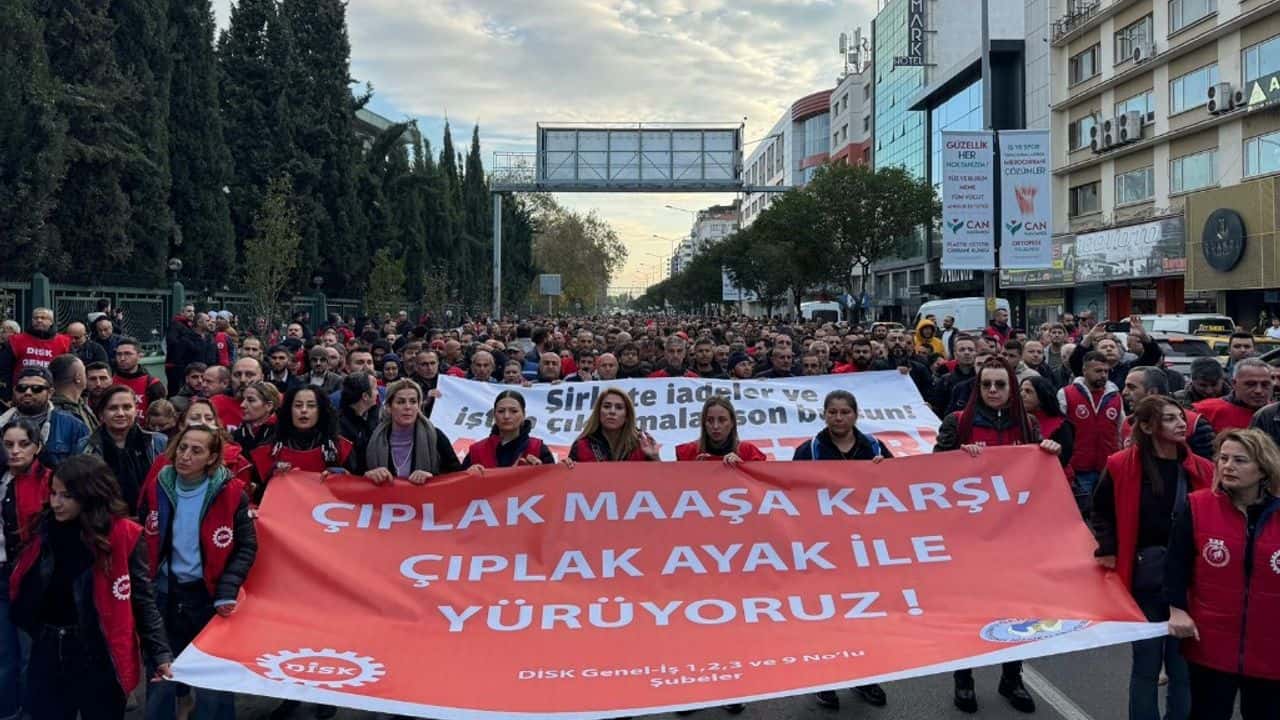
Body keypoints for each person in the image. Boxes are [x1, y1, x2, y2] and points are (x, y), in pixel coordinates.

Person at [935, 358, 1061, 714]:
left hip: (1014, 536)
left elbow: (1040, 474)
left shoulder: (1028, 423)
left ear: (1011, 388)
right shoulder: (958, 422)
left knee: (1016, 610)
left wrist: (1051, 451)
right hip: (969, 536)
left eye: (1000, 384)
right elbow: (933, 472)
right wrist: (958, 457)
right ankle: (963, 678)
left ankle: (1011, 678)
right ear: (978, 387)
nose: (993, 390)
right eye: (987, 384)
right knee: (968, 611)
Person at [9, 455, 172, 719]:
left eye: (66, 496)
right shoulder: (44, 528)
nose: (56, 502)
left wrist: (160, 653)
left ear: (90, 495)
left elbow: (142, 600)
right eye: (53, 493)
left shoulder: (124, 535)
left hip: (98, 653)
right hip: (48, 647)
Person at [1091, 396, 1213, 720]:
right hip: (1144, 577)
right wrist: (1108, 548)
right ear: (1146, 427)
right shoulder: (1120, 464)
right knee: (1146, 666)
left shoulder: (1203, 468)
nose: (1181, 424)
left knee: (1182, 668)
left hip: (1190, 581)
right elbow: (1100, 511)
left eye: (1181, 417)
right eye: (1170, 418)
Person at [139, 425, 257, 720]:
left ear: (212, 457)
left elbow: (246, 546)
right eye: (182, 447)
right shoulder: (158, 485)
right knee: (161, 678)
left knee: (213, 686)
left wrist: (227, 589)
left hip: (209, 598)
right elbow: (144, 535)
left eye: (196, 450)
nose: (185, 456)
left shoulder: (231, 493)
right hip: (166, 595)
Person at [1165, 428, 1280, 720]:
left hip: (1271, 646)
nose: (1228, 466)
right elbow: (1176, 564)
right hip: (1212, 643)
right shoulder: (1198, 506)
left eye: (1240, 460)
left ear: (1263, 468)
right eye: (1224, 458)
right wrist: (1177, 609)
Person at [789, 389, 889, 709]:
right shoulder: (808, 450)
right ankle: (826, 680)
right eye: (832, 412)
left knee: (864, 615)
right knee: (828, 617)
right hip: (824, 548)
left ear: (855, 415)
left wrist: (885, 470)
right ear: (824, 415)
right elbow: (792, 495)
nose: (838, 418)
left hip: (864, 547)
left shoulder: (875, 448)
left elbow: (899, 488)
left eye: (845, 412)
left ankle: (865, 677)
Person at [0, 419, 51, 720]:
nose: (15, 451)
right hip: (1, 576)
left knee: (30, 654)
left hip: (32, 580)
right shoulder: (2, 479)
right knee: (5, 654)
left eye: (23, 444)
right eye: (8, 445)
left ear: (37, 447)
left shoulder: (49, 480)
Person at [78, 385, 168, 512]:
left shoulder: (158, 442)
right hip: (105, 518)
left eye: (127, 407)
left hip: (150, 517)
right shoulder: (86, 447)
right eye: (113, 408)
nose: (120, 413)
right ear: (101, 414)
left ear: (136, 410)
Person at [249, 386, 353, 494]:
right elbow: (257, 493)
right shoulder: (269, 449)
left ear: (321, 411)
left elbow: (355, 489)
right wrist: (271, 476)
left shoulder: (339, 448)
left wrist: (341, 476)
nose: (304, 410)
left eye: (311, 406)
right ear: (289, 410)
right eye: (298, 405)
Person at [356, 379, 462, 481]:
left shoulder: (436, 437)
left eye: (413, 401)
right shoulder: (371, 438)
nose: (407, 407)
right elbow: (356, 476)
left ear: (419, 406)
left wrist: (432, 478)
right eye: (400, 402)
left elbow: (457, 476)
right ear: (389, 407)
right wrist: (368, 475)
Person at [1058, 351, 1123, 502]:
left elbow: (1120, 430)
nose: (1103, 375)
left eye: (1106, 371)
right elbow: (1059, 430)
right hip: (1078, 468)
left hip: (1107, 467)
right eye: (1098, 371)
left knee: (1104, 510)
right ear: (1085, 370)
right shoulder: (1066, 394)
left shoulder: (1115, 396)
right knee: (1081, 508)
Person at [0, 367, 90, 469]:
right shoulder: (2, 423)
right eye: (22, 388)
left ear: (50, 393)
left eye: (36, 388)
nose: (28, 392)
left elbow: (85, 469)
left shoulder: (73, 426)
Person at [1122, 367, 1214, 459]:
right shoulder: (1128, 422)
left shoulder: (1195, 423)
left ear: (1152, 392)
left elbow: (1207, 465)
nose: (1124, 392)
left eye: (1132, 387)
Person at [463, 391, 556, 470]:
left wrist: (540, 471)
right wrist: (469, 474)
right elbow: (460, 482)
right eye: (501, 411)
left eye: (514, 411)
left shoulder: (538, 448)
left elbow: (553, 482)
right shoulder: (476, 451)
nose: (506, 416)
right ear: (494, 415)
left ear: (524, 415)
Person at [565, 389, 659, 462]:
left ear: (627, 415)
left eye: (619, 407)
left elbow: (658, 479)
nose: (612, 411)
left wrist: (655, 458)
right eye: (606, 406)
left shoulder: (642, 444)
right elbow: (570, 480)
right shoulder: (581, 445)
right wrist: (567, 467)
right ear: (598, 412)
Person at [675, 396, 767, 464]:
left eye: (722, 420)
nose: (715, 426)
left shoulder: (749, 452)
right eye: (710, 420)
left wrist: (743, 468)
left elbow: (761, 481)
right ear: (704, 423)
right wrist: (691, 470)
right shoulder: (688, 453)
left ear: (732, 423)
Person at [1194, 358, 1274, 434]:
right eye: (1250, 384)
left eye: (1265, 384)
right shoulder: (1204, 410)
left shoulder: (1275, 412)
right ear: (1234, 384)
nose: (1258, 390)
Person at [6, 307, 72, 383]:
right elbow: (5, 368)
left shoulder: (64, 342)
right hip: (22, 387)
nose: (39, 320)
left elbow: (70, 369)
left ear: (51, 322)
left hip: (53, 387)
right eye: (35, 318)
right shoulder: (16, 341)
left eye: (43, 318)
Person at [112, 337, 166, 416]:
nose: (122, 358)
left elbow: (160, 417)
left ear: (139, 356)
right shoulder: (109, 383)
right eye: (119, 354)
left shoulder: (153, 385)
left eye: (128, 354)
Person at [50, 353, 96, 431]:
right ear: (77, 378)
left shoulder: (82, 405)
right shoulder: (57, 413)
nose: (86, 376)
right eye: (84, 372)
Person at [232, 381, 280, 455]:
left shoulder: (281, 435)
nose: (242, 405)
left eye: (251, 400)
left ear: (269, 406)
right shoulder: (236, 435)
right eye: (243, 400)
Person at [338, 372, 380, 451]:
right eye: (375, 389)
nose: (378, 393)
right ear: (365, 396)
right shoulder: (341, 428)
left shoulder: (367, 415)